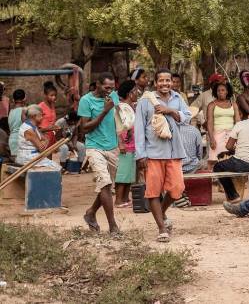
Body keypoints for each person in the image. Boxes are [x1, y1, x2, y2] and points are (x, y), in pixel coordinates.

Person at [134, 69, 192, 242]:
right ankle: (162, 228)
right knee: (153, 192)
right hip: (153, 153)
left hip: (174, 151)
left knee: (176, 189)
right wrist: (140, 155)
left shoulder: (178, 98)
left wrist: (170, 111)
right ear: (155, 82)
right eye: (161, 81)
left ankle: (163, 212)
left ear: (172, 82)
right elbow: (138, 128)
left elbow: (187, 117)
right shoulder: (145, 101)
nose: (165, 84)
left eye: (168, 81)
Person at [78, 73, 121, 234]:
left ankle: (91, 213)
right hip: (94, 147)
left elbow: (118, 116)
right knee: (105, 184)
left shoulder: (114, 97)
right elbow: (85, 128)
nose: (110, 91)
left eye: (112, 88)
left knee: (107, 186)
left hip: (112, 147)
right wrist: (104, 111)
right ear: (97, 84)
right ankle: (113, 226)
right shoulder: (86, 100)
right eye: (106, 87)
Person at [213, 109, 249, 202]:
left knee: (218, 167)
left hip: (241, 163)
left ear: (248, 117)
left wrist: (239, 149)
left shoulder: (240, 124)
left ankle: (233, 195)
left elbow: (229, 146)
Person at [114, 80, 138, 208]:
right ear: (130, 93)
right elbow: (117, 125)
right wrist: (121, 142)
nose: (137, 93)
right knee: (122, 174)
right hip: (124, 146)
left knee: (129, 173)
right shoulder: (120, 107)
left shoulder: (130, 107)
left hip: (132, 145)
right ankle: (118, 199)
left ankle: (125, 198)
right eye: (135, 91)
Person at [205, 81, 240, 167]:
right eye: (218, 91)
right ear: (215, 92)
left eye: (223, 90)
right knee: (214, 160)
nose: (220, 92)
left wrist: (238, 137)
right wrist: (212, 138)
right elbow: (209, 123)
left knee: (231, 159)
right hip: (217, 135)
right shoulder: (211, 105)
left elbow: (238, 122)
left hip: (232, 135)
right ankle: (215, 179)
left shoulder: (233, 104)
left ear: (227, 91)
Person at [16, 105, 61, 169]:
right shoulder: (29, 129)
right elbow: (41, 148)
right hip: (28, 158)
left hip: (32, 156)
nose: (42, 117)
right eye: (41, 115)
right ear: (34, 116)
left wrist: (45, 140)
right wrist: (46, 140)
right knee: (57, 167)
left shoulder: (32, 126)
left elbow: (43, 138)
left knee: (55, 166)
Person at [37, 81, 59, 147]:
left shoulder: (52, 105)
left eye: (55, 95)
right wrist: (50, 129)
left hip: (51, 135)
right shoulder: (40, 107)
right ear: (45, 95)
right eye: (51, 95)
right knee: (45, 156)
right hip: (43, 137)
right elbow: (36, 129)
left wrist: (54, 128)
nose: (54, 97)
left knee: (50, 156)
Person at [7, 89, 27, 162]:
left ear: (13, 99)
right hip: (21, 140)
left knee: (15, 166)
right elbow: (28, 128)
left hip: (12, 140)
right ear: (24, 98)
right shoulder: (24, 111)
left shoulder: (11, 112)